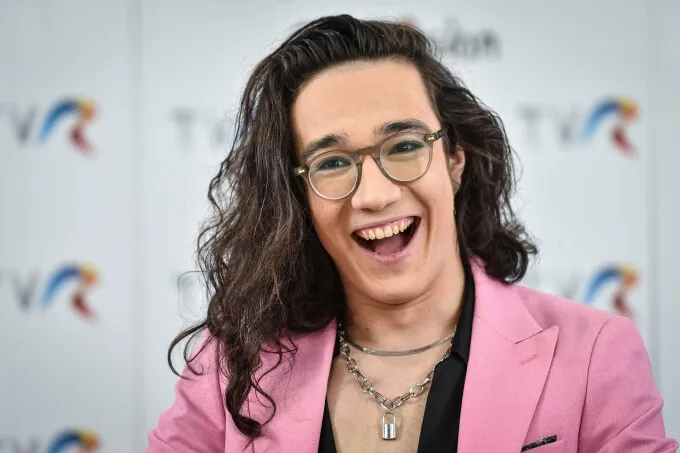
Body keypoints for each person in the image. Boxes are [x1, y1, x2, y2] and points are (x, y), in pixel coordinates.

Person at [146, 14, 677, 453]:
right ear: (298, 197)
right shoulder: (231, 364)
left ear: (455, 159)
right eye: (332, 162)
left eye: (403, 146)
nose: (374, 195)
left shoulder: (596, 354)